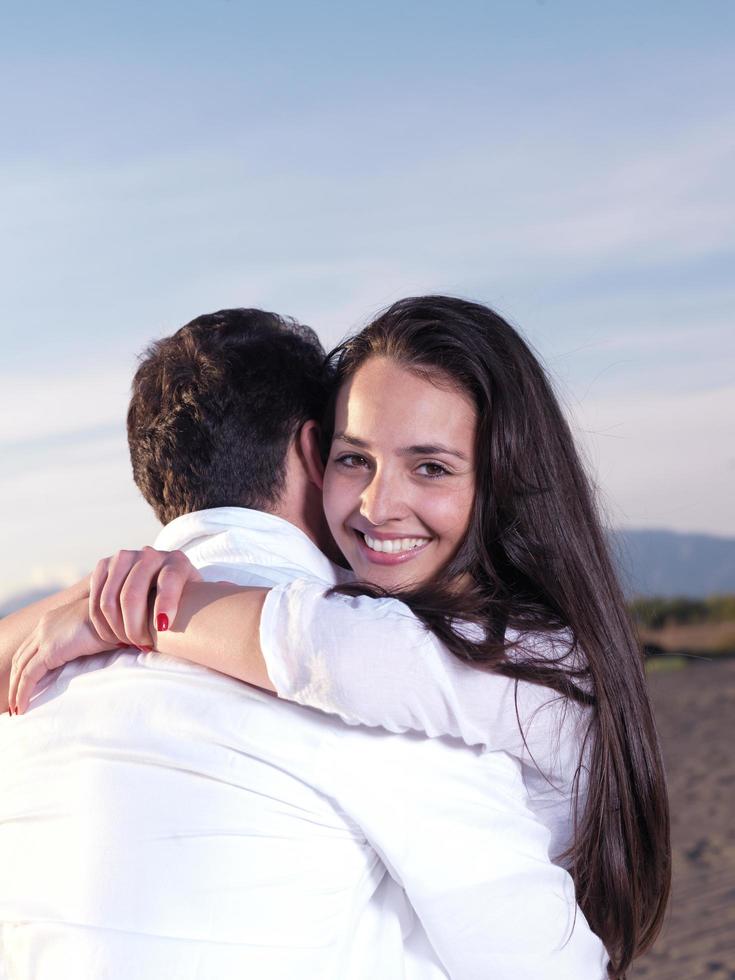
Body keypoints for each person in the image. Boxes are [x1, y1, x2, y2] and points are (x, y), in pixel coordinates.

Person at [0, 307, 607, 980]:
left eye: (430, 466)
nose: (378, 506)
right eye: (356, 459)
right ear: (314, 453)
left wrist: (114, 608)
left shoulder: (38, 691)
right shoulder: (392, 718)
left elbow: (327, 649)